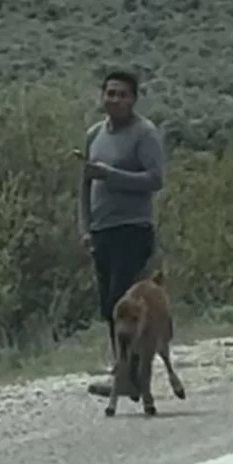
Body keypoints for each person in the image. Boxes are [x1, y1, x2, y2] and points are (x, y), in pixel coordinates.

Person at [76, 70, 166, 397]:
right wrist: (84, 228)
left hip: (133, 229)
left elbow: (155, 179)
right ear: (101, 96)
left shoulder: (145, 133)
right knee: (109, 308)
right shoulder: (93, 135)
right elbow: (85, 184)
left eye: (122, 94)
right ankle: (126, 375)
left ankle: (131, 377)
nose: (115, 99)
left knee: (126, 305)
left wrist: (111, 175)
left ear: (134, 99)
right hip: (103, 232)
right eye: (110, 93)